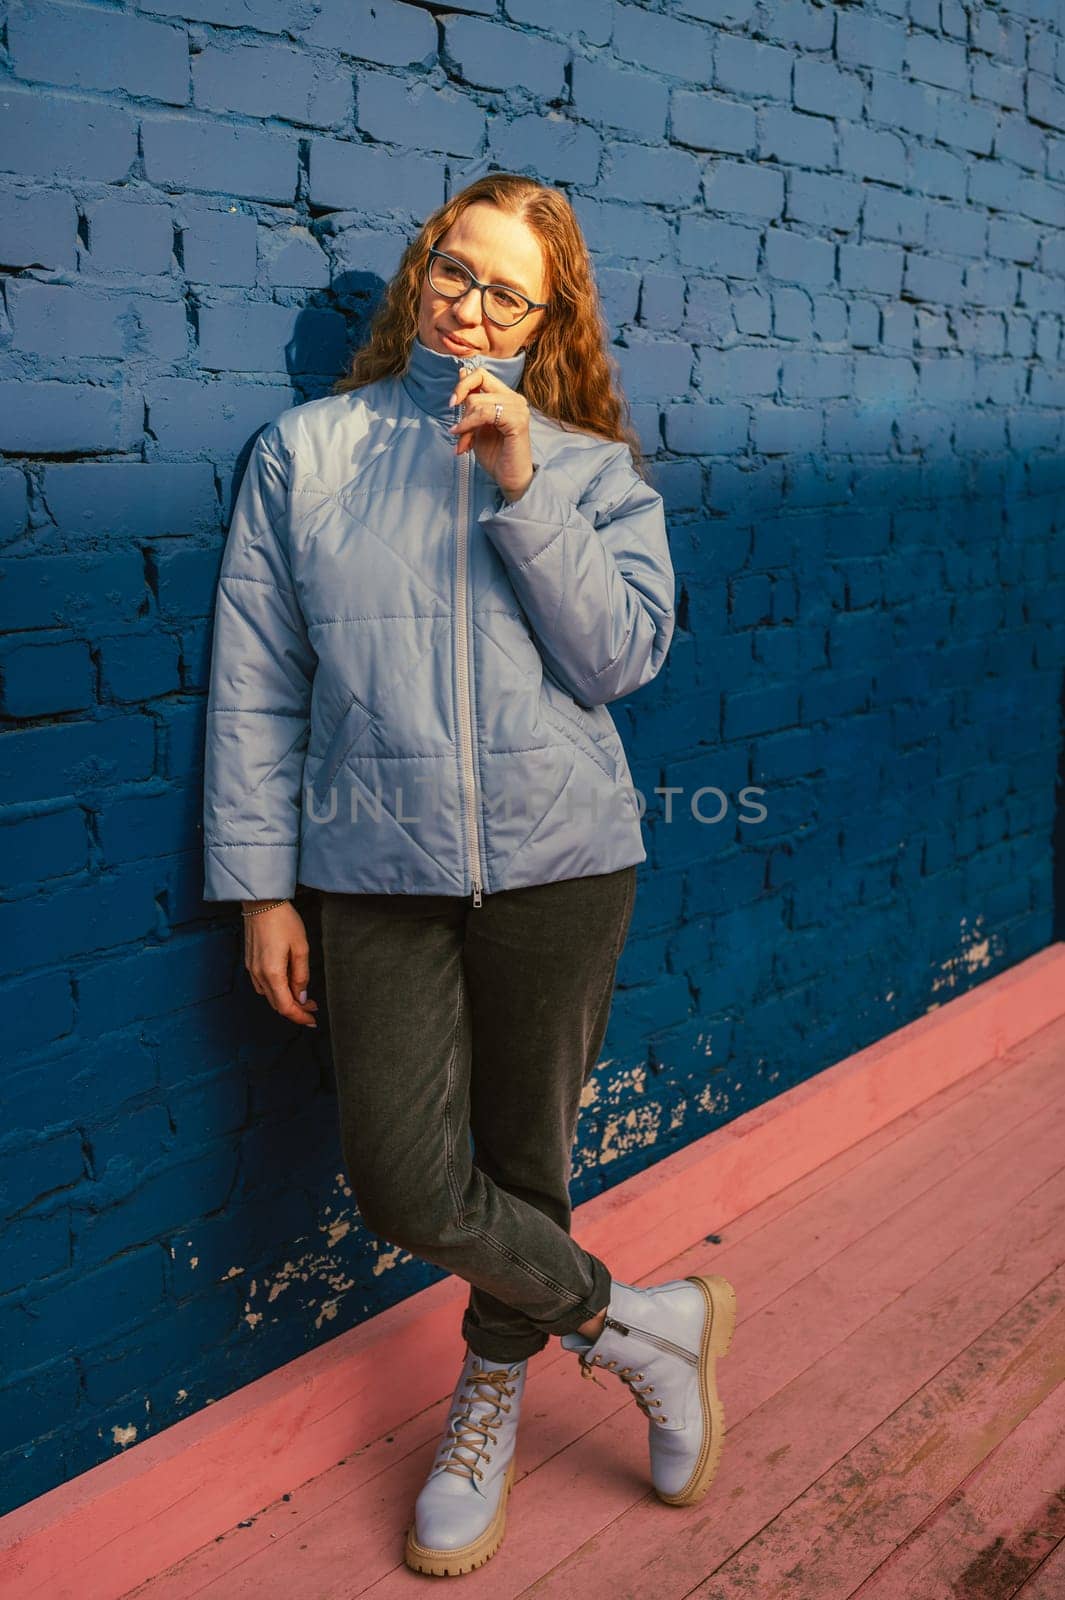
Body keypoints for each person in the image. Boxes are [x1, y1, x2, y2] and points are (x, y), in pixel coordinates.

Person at [202, 172, 736, 1577]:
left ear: (546, 317)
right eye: (454, 270)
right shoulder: (303, 454)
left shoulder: (589, 467)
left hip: (562, 866)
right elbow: (257, 686)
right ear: (418, 270)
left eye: (507, 289)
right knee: (401, 1182)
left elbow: (619, 658)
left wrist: (519, 479)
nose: (470, 305)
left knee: (523, 1164)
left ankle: (489, 1391)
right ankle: (643, 1327)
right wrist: (263, 887)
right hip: (371, 872)